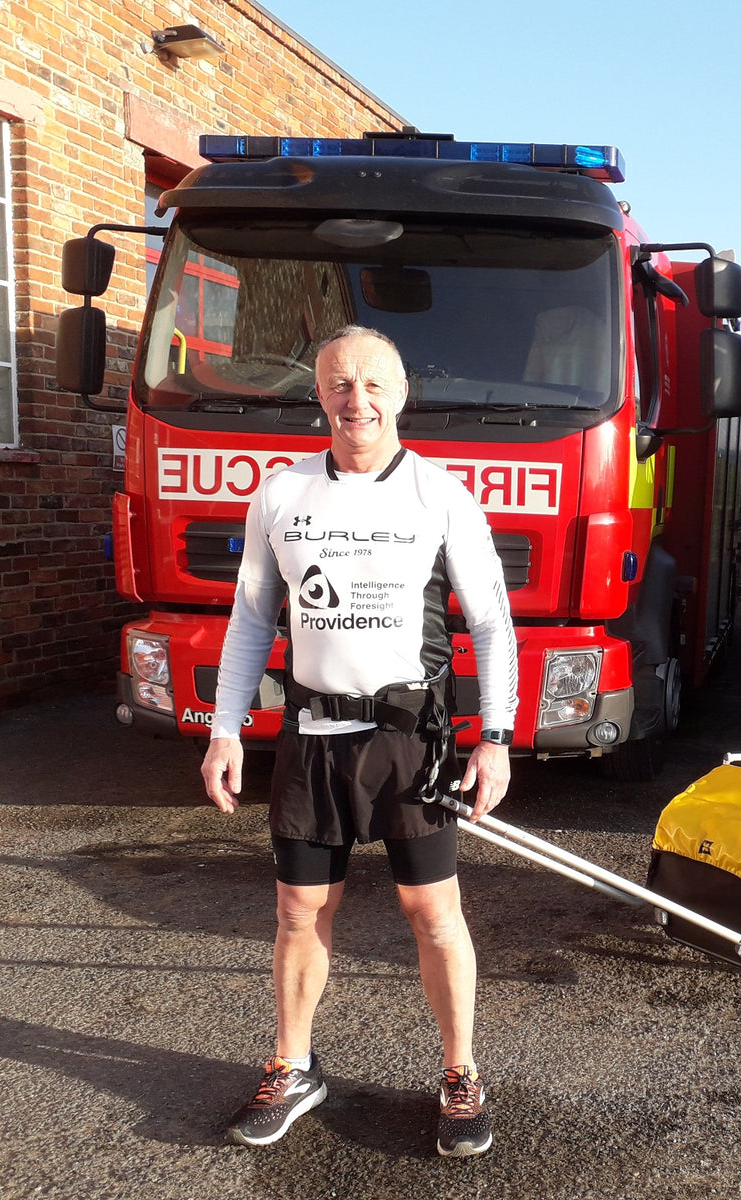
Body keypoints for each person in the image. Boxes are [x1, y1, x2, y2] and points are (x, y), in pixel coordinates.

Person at [200, 325, 518, 1158]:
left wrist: (498, 739)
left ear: (402, 394)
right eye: (340, 383)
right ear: (320, 397)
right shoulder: (280, 492)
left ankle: (460, 1073)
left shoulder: (442, 495)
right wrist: (224, 729)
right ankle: (293, 1065)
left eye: (374, 383)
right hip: (311, 736)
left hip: (410, 740)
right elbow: (248, 621)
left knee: (431, 912)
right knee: (299, 909)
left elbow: (491, 623)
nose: (357, 399)